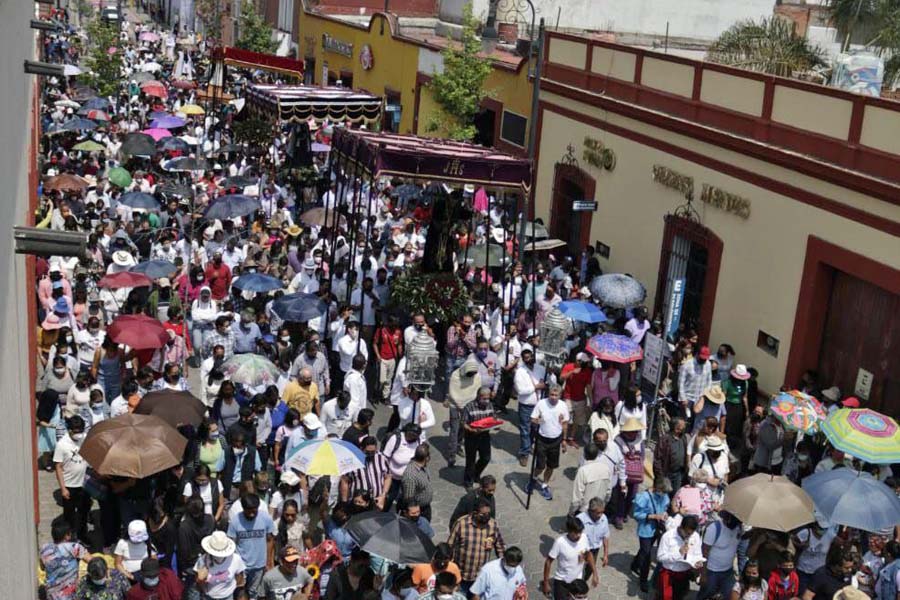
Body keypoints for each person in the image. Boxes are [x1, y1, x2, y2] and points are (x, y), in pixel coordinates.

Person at [448, 498, 506, 594]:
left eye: (488, 514)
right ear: (474, 513)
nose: (486, 517)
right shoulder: (461, 524)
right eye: (483, 514)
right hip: (462, 577)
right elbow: (450, 545)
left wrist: (504, 565)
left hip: (480, 577)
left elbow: (500, 546)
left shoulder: (492, 525)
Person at [226, 494, 276, 597]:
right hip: (241, 566)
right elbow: (231, 543)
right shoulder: (235, 521)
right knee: (240, 591)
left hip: (259, 565)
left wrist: (268, 561)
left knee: (254, 592)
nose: (252, 514)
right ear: (243, 508)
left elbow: (270, 540)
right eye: (249, 510)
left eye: (255, 510)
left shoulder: (266, 518)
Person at [528, 383, 569, 501]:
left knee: (551, 466)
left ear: (560, 395)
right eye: (552, 394)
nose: (554, 397)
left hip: (556, 440)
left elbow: (565, 424)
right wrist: (539, 420)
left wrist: (564, 440)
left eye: (556, 395)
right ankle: (534, 478)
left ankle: (545, 484)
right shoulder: (541, 403)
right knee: (540, 466)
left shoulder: (563, 406)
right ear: (548, 394)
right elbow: (532, 419)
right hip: (542, 439)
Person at [53, 415, 91, 543]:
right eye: (76, 431)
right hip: (69, 486)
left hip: (84, 484)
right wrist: (63, 488)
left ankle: (82, 535)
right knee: (69, 515)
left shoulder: (84, 438)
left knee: (83, 512)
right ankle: (69, 538)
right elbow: (58, 467)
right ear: (69, 429)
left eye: (81, 430)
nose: (79, 434)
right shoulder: (62, 445)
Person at [542, 515, 599, 600]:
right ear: (569, 531)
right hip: (562, 581)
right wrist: (546, 583)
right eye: (576, 533)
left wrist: (595, 573)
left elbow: (588, 554)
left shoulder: (584, 537)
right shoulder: (560, 542)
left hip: (577, 581)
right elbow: (548, 562)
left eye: (580, 532)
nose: (579, 535)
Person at [631, 477, 672, 592]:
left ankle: (635, 564)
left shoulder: (664, 497)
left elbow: (664, 508)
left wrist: (664, 515)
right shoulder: (644, 497)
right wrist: (653, 516)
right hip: (645, 530)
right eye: (663, 491)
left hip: (656, 529)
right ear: (657, 488)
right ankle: (643, 580)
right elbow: (637, 514)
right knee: (647, 555)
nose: (664, 494)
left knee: (645, 550)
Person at [40, 517, 91, 600]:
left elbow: (42, 568)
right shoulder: (74, 547)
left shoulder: (45, 549)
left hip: (51, 596)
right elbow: (92, 561)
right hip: (71, 595)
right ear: (67, 536)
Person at [656, 514, 705, 600]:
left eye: (691, 533)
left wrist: (698, 561)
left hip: (684, 574)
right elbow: (660, 557)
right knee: (666, 597)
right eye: (687, 533)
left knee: (679, 596)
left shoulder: (695, 536)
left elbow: (698, 553)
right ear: (681, 527)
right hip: (669, 573)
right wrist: (678, 554)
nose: (689, 536)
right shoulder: (668, 536)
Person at [698, 511, 743, 600]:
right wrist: (703, 574)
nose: (736, 525)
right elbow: (704, 552)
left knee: (729, 595)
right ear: (727, 518)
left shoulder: (738, 528)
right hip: (711, 571)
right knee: (706, 595)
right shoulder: (714, 528)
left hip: (728, 572)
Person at [611, 417, 645, 529]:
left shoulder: (640, 440)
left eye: (635, 431)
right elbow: (616, 457)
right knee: (621, 495)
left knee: (632, 496)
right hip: (622, 473)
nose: (633, 433)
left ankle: (625, 513)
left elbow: (643, 456)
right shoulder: (618, 440)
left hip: (635, 474)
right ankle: (618, 517)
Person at [514, 347, 546, 467]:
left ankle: (529, 446)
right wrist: (536, 387)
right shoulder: (520, 372)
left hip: (540, 405)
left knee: (536, 429)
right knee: (525, 430)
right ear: (523, 359)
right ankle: (524, 453)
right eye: (526, 358)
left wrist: (547, 382)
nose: (529, 359)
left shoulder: (541, 369)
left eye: (531, 356)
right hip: (526, 406)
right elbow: (521, 391)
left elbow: (549, 382)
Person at [340, 435, 391, 510]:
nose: (370, 455)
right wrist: (344, 502)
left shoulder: (382, 459)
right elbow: (345, 480)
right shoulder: (352, 460)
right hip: (358, 503)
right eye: (367, 452)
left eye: (373, 452)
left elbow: (387, 477)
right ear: (361, 449)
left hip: (376, 502)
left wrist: (383, 495)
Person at [446, 360, 482, 468]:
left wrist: (468, 407)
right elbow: (453, 393)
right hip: (455, 406)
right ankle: (451, 456)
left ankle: (458, 446)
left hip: (468, 407)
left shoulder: (477, 376)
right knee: (454, 430)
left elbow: (476, 391)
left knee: (463, 429)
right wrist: (460, 406)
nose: (471, 376)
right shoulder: (455, 376)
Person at [176, 497, 216, 590]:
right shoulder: (211, 519)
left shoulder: (183, 527)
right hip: (209, 562)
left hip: (192, 566)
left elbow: (184, 552)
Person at [461, 386, 497, 489]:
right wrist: (472, 429)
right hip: (471, 436)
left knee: (486, 458)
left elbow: (493, 417)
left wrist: (495, 423)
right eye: (484, 398)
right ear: (478, 397)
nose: (486, 401)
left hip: (485, 436)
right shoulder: (469, 407)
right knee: (470, 461)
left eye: (488, 398)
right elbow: (463, 423)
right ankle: (468, 481)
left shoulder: (490, 405)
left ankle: (476, 474)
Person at [793, 514, 839, 593]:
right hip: (803, 571)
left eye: (825, 529)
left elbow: (842, 543)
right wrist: (801, 546)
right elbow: (792, 540)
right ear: (815, 525)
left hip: (819, 573)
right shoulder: (805, 533)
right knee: (802, 593)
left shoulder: (829, 535)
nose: (823, 530)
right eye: (821, 528)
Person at [195, 531, 247, 600]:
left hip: (228, 596)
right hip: (208, 597)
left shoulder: (235, 559)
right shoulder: (203, 560)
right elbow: (197, 584)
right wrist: (200, 580)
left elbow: (240, 579)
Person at [382, 423, 421, 511]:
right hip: (393, 477)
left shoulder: (418, 441)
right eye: (411, 435)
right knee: (390, 497)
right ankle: (383, 514)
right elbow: (385, 457)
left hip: (408, 478)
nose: (413, 438)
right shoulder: (396, 439)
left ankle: (400, 514)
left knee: (405, 498)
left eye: (415, 436)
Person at [559, 352, 593, 448]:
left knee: (577, 421)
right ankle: (563, 438)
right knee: (565, 418)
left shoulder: (587, 371)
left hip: (580, 398)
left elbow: (588, 386)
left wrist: (590, 401)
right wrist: (572, 372)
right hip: (568, 397)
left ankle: (571, 438)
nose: (585, 364)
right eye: (583, 362)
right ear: (577, 361)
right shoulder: (569, 366)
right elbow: (561, 377)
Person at [570, 443, 613, 514]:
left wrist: (572, 512)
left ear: (585, 455)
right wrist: (603, 505)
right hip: (599, 510)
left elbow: (577, 496)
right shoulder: (606, 468)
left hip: (584, 510)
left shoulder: (583, 471)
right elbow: (608, 492)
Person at [577, 498, 610, 582]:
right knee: (577, 570)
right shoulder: (580, 519)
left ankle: (582, 583)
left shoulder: (604, 518)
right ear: (591, 511)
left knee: (590, 569)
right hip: (581, 550)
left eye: (602, 512)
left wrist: (605, 554)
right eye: (598, 513)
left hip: (594, 550)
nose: (600, 515)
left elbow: (605, 536)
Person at [654, 417, 690, 493]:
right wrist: (660, 476)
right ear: (676, 426)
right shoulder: (665, 439)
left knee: (675, 496)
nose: (685, 426)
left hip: (678, 474)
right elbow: (658, 458)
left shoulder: (683, 438)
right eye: (683, 425)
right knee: (664, 495)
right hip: (666, 474)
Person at [678, 346, 713, 421]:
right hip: (688, 398)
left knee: (697, 420)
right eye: (702, 358)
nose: (703, 360)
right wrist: (683, 398)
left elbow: (709, 381)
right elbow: (681, 383)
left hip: (700, 398)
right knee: (684, 420)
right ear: (697, 354)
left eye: (705, 359)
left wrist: (704, 396)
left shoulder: (708, 365)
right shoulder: (687, 365)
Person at [400, 443, 433, 521]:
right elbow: (409, 498)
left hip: (425, 507)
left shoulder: (423, 467)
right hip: (418, 512)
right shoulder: (410, 475)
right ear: (426, 458)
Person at [343, 353, 368, 419]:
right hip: (355, 415)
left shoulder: (358, 376)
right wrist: (357, 419)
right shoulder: (353, 379)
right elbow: (354, 402)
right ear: (363, 365)